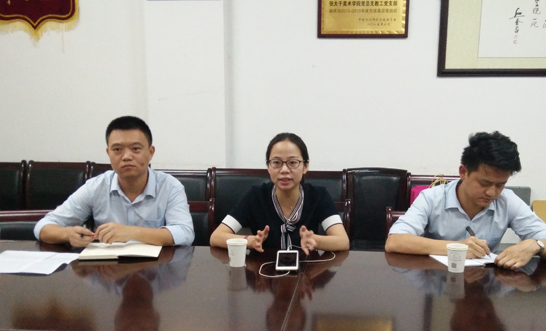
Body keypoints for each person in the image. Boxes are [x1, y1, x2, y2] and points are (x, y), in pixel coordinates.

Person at [385, 131, 546, 270]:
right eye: (485, 183)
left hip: (484, 286)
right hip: (437, 280)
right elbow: (395, 242)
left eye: (500, 184)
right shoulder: (432, 198)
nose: (492, 192)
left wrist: (535, 245)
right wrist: (457, 247)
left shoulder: (507, 201)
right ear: (463, 172)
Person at [34, 116, 194, 247]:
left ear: (151, 152)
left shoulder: (170, 187)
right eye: (117, 149)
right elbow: (43, 227)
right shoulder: (95, 187)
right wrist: (68, 234)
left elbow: (185, 233)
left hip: (156, 269)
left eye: (136, 149)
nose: (126, 157)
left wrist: (132, 232)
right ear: (108, 153)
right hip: (108, 270)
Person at [209, 132, 349, 254]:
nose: (284, 170)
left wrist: (315, 241)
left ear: (305, 166)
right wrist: (250, 241)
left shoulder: (318, 195)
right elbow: (216, 237)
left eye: (292, 162)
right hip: (264, 273)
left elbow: (343, 241)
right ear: (268, 167)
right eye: (276, 163)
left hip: (306, 272)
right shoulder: (256, 196)